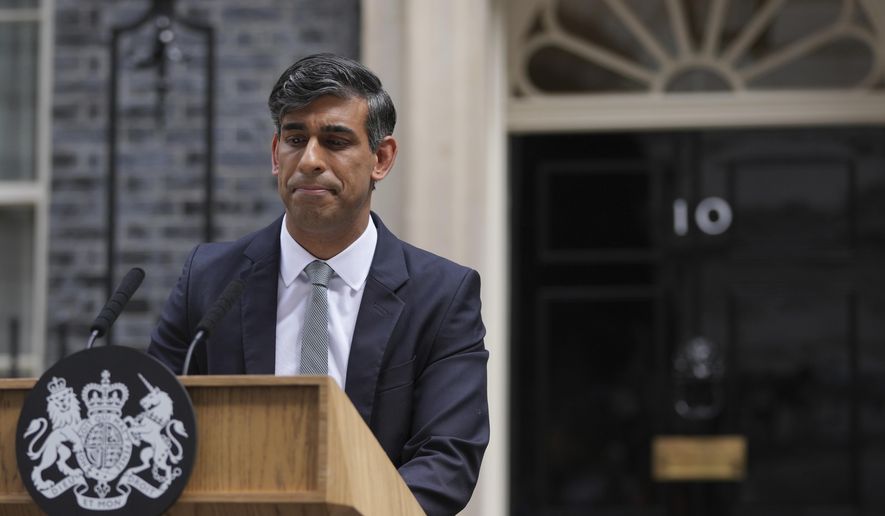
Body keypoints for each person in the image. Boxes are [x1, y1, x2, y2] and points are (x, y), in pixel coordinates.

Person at [147, 53, 489, 515]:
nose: (309, 160)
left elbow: (446, 462)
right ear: (275, 153)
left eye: (334, 140)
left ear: (381, 159)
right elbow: (154, 426)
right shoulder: (209, 281)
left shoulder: (442, 296)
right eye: (295, 138)